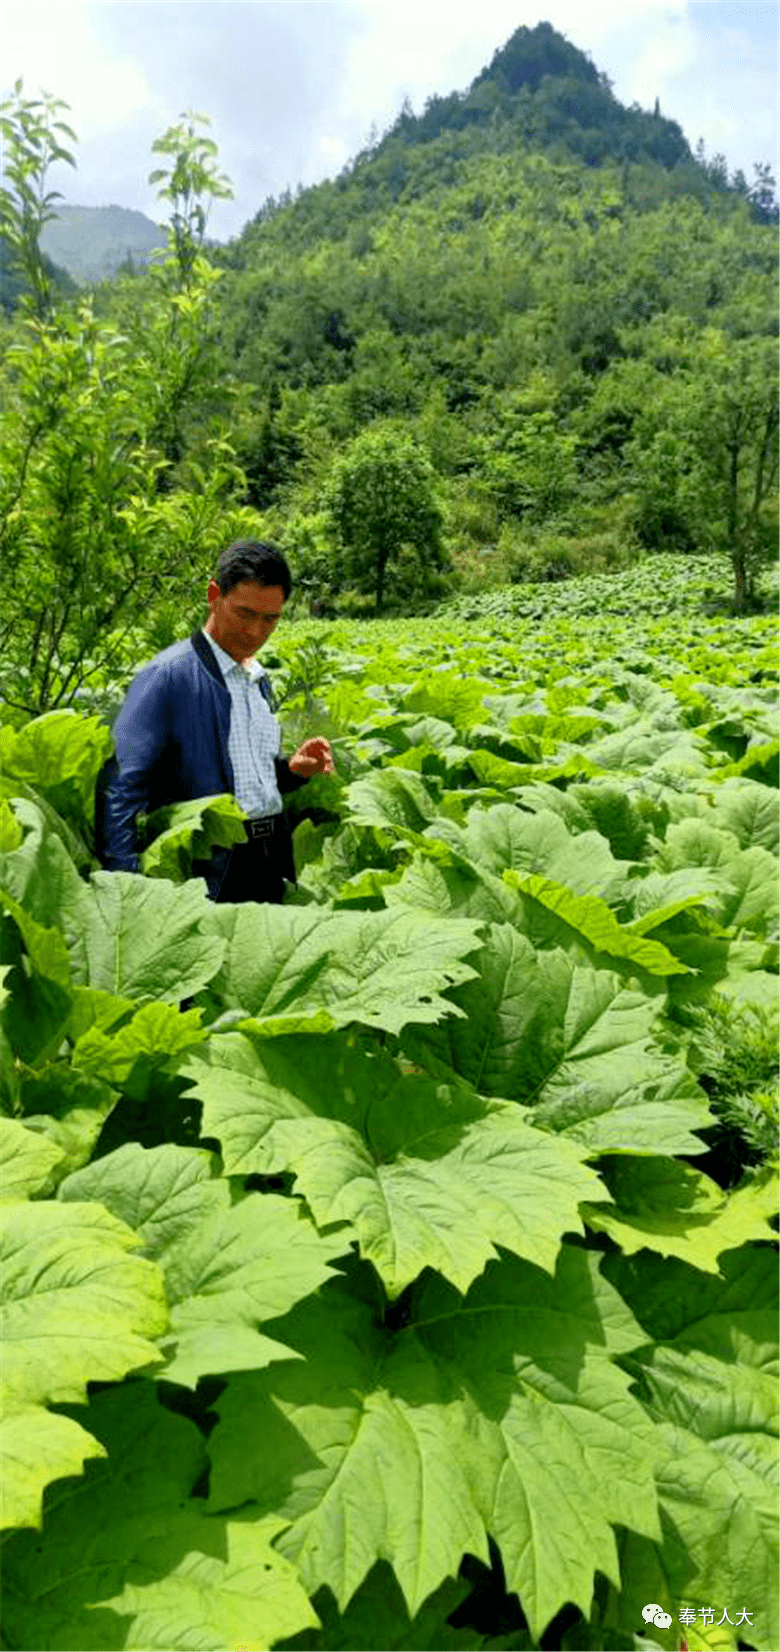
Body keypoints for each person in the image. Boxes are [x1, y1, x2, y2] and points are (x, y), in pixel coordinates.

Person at [98, 539, 333, 903]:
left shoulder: (257, 678)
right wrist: (126, 889)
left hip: (269, 855)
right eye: (244, 613)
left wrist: (293, 770)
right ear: (214, 595)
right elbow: (121, 787)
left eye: (270, 619)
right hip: (212, 866)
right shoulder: (167, 676)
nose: (256, 632)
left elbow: (246, 775)